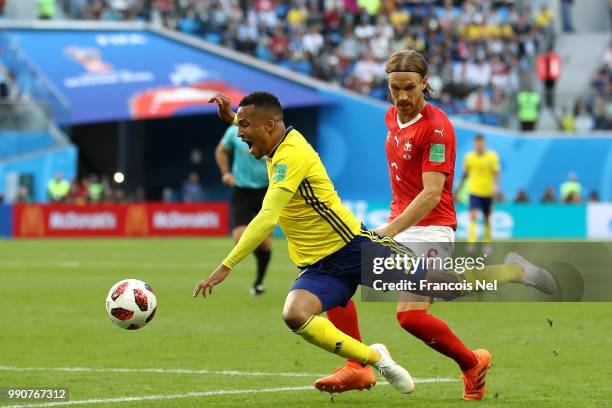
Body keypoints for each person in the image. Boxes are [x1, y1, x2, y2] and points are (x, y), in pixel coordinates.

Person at [215, 122, 271, 296]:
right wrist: (225, 172)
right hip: (242, 190)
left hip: (266, 190)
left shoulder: (269, 133)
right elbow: (221, 150)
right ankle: (257, 281)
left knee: (265, 244)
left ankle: (259, 282)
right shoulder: (234, 131)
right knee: (240, 238)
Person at [455, 134, 500, 254]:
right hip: (474, 191)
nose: (479, 144)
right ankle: (471, 243)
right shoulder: (469, 157)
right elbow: (464, 175)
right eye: (477, 142)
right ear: (475, 143)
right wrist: (458, 190)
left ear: (484, 143)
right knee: (473, 216)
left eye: (481, 142)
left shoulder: (492, 156)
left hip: (487, 192)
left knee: (487, 219)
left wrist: (495, 187)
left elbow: (496, 174)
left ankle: (487, 243)